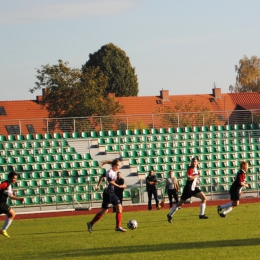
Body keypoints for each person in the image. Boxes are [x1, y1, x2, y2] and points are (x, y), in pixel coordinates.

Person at [87, 159, 127, 233]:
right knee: (105, 211)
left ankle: (118, 227)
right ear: (115, 165)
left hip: (112, 193)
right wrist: (120, 186)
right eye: (118, 165)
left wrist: (98, 185)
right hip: (108, 193)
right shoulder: (110, 172)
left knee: (119, 207)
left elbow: (102, 176)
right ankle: (90, 223)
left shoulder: (112, 172)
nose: (119, 167)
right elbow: (111, 182)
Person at [167, 157, 208, 223]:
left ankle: (201, 215)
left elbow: (193, 178)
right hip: (188, 189)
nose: (194, 163)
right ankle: (169, 215)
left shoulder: (196, 169)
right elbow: (189, 178)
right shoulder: (190, 169)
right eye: (193, 161)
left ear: (197, 163)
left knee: (204, 198)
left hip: (194, 188)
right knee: (180, 203)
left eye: (195, 161)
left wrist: (196, 180)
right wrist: (197, 175)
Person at [0, 171, 25, 238]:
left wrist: (19, 199)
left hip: (2, 203)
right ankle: (3, 230)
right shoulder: (5, 184)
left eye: (16, 178)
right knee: (12, 214)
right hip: (0, 203)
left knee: (10, 215)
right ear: (10, 177)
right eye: (14, 178)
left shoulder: (10, 186)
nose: (15, 180)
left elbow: (11, 196)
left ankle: (3, 230)